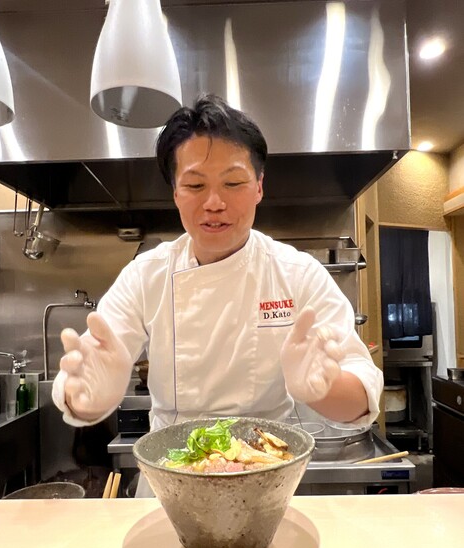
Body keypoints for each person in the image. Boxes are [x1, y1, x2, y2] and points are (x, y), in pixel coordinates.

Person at [52, 94, 383, 496]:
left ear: (259, 186)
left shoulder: (297, 274)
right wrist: (91, 397)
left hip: (267, 479)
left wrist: (324, 390)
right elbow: (86, 377)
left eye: (233, 183)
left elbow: (361, 392)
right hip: (170, 483)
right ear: (175, 192)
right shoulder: (146, 275)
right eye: (195, 185)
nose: (214, 203)